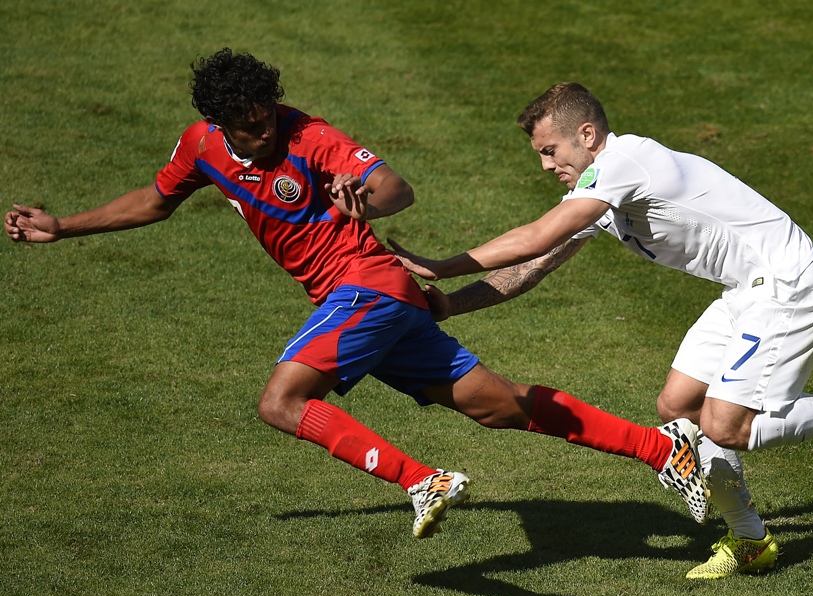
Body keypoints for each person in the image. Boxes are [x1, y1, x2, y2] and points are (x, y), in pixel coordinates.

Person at [5, 54, 710, 539]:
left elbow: (396, 187)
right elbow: (156, 202)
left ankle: (423, 482)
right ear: (220, 122)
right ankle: (660, 450)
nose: (264, 130)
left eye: (267, 114)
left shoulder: (310, 136)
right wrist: (63, 226)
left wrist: (367, 200)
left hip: (365, 285)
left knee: (279, 402)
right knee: (502, 408)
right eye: (249, 124)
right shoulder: (203, 146)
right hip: (374, 302)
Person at [390, 82, 813, 576]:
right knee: (678, 408)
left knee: (727, 428)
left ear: (586, 134)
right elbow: (534, 265)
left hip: (787, 284)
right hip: (744, 288)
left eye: (550, 150)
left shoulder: (626, 163)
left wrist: (442, 265)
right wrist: (451, 306)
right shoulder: (599, 187)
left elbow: (537, 235)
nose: (546, 165)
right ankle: (749, 540)